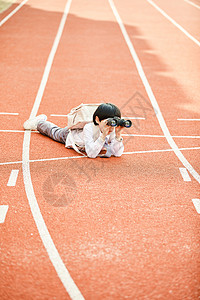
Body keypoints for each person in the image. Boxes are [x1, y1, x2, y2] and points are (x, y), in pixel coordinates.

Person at [23, 103, 124, 158]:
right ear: (97, 120)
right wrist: (102, 137)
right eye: (108, 123)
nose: (111, 127)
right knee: (54, 132)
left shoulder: (112, 129)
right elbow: (91, 154)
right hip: (70, 136)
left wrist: (118, 136)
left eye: (114, 123)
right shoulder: (89, 128)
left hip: (85, 143)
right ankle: (39, 123)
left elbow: (117, 153)